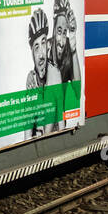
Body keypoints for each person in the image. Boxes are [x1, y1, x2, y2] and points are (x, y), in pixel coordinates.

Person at [25, 8, 63, 137]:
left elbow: (60, 121)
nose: (41, 54)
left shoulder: (54, 73)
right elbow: (28, 123)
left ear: (47, 44)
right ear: (31, 53)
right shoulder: (31, 79)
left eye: (43, 42)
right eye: (36, 47)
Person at [51, 0, 81, 84]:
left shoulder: (69, 48)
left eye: (65, 33)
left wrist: (73, 49)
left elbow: (77, 91)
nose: (62, 42)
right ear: (54, 29)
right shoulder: (45, 49)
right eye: (59, 31)